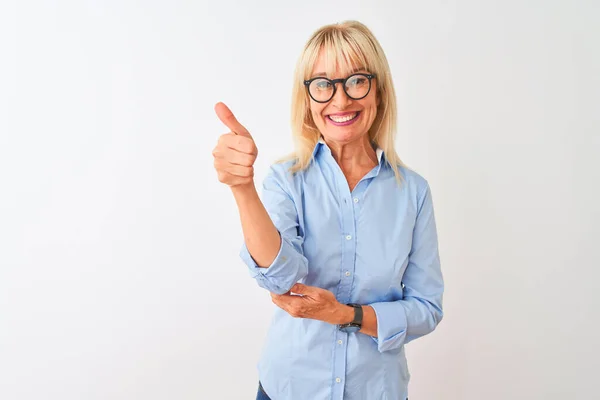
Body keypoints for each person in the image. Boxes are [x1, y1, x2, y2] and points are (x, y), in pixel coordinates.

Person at [212, 20, 444, 400]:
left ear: (379, 92)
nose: (340, 101)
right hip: (288, 388)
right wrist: (242, 189)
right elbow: (281, 279)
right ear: (307, 98)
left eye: (356, 80)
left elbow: (426, 308)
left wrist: (347, 314)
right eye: (323, 84)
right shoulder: (286, 180)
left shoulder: (412, 193)